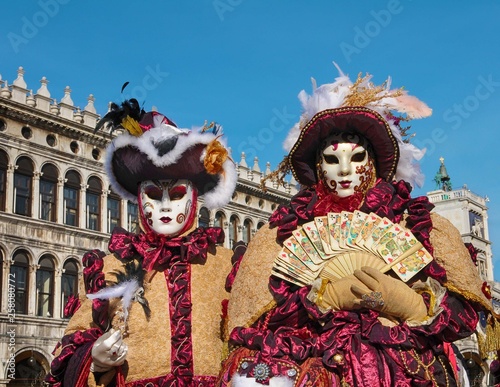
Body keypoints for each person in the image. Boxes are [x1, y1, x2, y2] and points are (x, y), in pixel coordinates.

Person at [217, 66, 494, 386]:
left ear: (373, 161)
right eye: (333, 160)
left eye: (357, 157)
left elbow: (461, 318)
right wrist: (323, 298)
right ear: (319, 166)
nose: (345, 170)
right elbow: (253, 322)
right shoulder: (281, 234)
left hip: (404, 369)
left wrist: (409, 302)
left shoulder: (416, 223)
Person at [46, 100, 237, 386]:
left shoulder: (224, 264)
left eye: (175, 195)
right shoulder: (112, 267)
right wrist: (95, 359)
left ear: (193, 198)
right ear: (139, 199)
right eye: (152, 194)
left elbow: (247, 339)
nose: (163, 206)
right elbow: (73, 343)